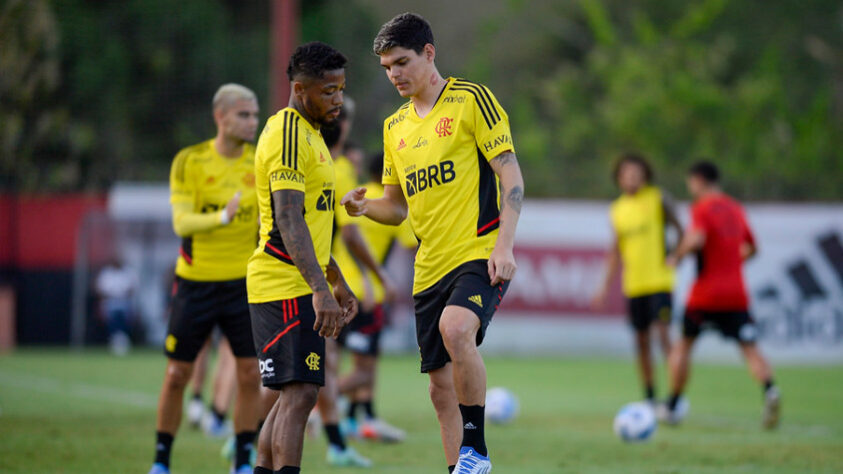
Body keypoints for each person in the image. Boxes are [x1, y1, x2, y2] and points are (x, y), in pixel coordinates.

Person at [342, 13, 525, 473]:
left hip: (478, 252)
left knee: (457, 329)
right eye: (386, 67)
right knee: (438, 389)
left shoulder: (471, 100)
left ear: (429, 53)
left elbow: (511, 176)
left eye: (401, 62)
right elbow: (397, 207)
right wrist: (365, 209)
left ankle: (477, 450)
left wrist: (504, 247)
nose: (394, 75)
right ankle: (460, 468)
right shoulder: (394, 127)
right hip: (430, 268)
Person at [247, 42, 361, 474]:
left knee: (294, 395)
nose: (337, 100)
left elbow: (312, 224)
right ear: (299, 89)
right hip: (283, 282)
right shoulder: (289, 133)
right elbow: (288, 218)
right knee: (299, 396)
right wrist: (319, 289)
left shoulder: (311, 136)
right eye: (329, 91)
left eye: (341, 90)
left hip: (295, 282)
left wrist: (335, 280)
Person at [149, 83, 262, 474]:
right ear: (221, 116)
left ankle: (243, 460)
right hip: (195, 284)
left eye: (255, 115)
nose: (252, 122)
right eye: (244, 115)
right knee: (177, 373)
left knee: (250, 374)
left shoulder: (259, 163)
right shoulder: (189, 161)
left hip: (243, 286)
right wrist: (222, 217)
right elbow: (182, 220)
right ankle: (162, 461)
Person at [663, 161, 780, 429]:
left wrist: (676, 256)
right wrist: (730, 263)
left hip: (705, 295)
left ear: (698, 180)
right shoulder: (736, 208)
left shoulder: (702, 208)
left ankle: (672, 403)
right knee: (750, 349)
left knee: (682, 346)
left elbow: (697, 239)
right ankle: (770, 389)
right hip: (736, 295)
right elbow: (752, 247)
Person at [337, 152, 417, 442]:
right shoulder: (389, 205)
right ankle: (322, 400)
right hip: (367, 293)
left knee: (348, 359)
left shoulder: (354, 198)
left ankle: (356, 418)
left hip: (336, 287)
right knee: (365, 366)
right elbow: (413, 247)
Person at [592, 153, 682, 403]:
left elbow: (681, 230)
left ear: (645, 175)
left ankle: (676, 397)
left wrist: (676, 255)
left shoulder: (657, 199)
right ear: (619, 178)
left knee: (663, 337)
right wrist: (604, 287)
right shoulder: (618, 209)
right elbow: (615, 251)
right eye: (626, 174)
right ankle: (650, 397)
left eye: (636, 173)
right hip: (634, 285)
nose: (631, 178)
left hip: (660, 281)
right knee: (641, 342)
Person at [95, 257, 137, 356]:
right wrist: (113, 295)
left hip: (124, 303)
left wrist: (120, 295)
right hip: (110, 304)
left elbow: (132, 289)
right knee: (113, 320)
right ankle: (115, 341)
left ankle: (122, 341)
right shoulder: (106, 273)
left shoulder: (128, 272)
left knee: (123, 319)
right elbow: (100, 290)